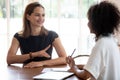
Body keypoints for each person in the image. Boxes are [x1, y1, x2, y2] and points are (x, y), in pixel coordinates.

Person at [66, 1, 120, 80]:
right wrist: (80, 66)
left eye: (89, 20)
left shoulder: (102, 44)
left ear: (97, 23)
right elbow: (102, 67)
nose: (88, 24)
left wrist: (74, 69)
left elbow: (85, 75)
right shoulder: (111, 41)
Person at [7, 2, 67, 68]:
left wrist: (41, 63)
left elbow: (64, 59)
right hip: (26, 73)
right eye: (37, 15)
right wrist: (34, 55)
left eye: (43, 15)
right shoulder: (18, 36)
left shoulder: (52, 35)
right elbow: (9, 59)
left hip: (46, 74)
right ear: (28, 17)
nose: (41, 18)